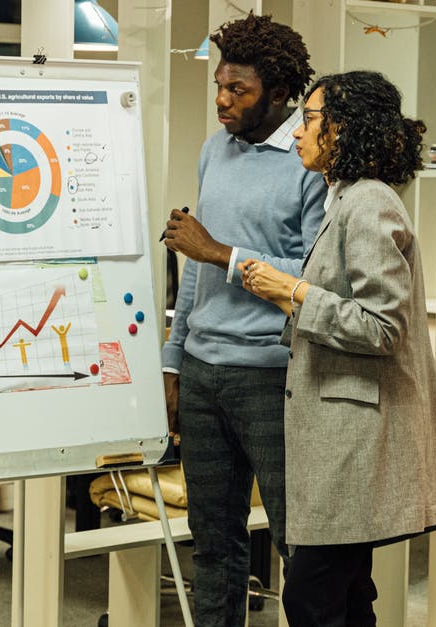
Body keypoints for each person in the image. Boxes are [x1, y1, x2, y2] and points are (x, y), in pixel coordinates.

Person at [239, 71, 436, 627]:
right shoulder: (346, 198)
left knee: (311, 597)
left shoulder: (369, 204)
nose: (297, 131)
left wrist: (293, 293)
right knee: (345, 596)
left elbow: (382, 328)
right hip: (340, 435)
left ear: (345, 129)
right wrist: (290, 296)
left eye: (311, 119)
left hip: (354, 441)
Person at [159, 13, 326, 627]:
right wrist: (172, 362)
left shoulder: (309, 163)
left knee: (295, 541)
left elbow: (311, 275)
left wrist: (221, 252)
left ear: (279, 95)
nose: (223, 102)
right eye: (220, 87)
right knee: (212, 543)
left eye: (239, 91)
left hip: (271, 376)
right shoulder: (214, 150)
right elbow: (195, 273)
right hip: (202, 372)